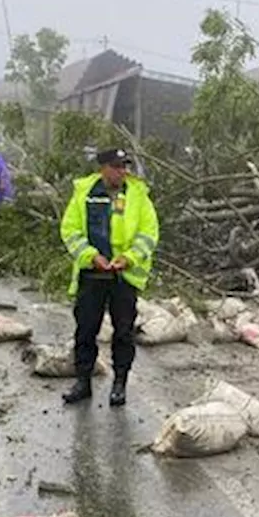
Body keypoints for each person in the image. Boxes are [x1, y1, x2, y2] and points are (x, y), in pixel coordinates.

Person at [59, 147, 159, 406]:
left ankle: (119, 383)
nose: (122, 171)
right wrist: (91, 256)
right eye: (116, 166)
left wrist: (130, 258)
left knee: (123, 332)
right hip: (92, 274)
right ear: (102, 168)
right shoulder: (85, 194)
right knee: (85, 329)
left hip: (123, 277)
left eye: (125, 166)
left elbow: (149, 233)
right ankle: (83, 381)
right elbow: (70, 231)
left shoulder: (138, 195)